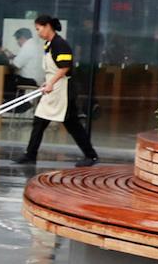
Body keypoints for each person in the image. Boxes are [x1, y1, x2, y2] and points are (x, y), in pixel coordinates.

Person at [15, 13, 99, 168]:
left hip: (63, 92)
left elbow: (65, 67)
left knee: (73, 125)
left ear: (48, 26)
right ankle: (30, 154)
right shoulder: (50, 44)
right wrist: (47, 83)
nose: (38, 32)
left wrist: (51, 83)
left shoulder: (60, 44)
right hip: (54, 90)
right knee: (39, 121)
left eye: (39, 29)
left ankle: (91, 155)